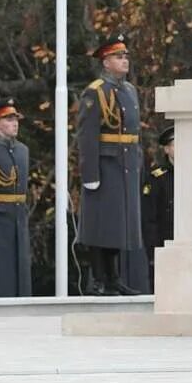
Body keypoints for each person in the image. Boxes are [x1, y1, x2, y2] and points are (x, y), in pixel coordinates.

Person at [76, 38, 147, 296]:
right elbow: (86, 135)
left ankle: (113, 277)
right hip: (105, 165)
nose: (124, 60)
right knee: (100, 224)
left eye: (126, 56)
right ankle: (97, 278)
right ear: (106, 62)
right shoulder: (95, 92)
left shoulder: (129, 90)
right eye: (118, 57)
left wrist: (136, 161)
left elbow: (134, 131)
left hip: (125, 164)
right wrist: (90, 174)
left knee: (119, 224)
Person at [0, 103, 28, 297]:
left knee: (21, 263)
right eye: (9, 119)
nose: (15, 124)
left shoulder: (22, 150)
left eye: (16, 119)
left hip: (18, 214)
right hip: (0, 215)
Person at [141, 123, 176, 287]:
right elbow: (149, 217)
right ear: (167, 149)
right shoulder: (157, 177)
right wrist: (153, 249)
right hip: (164, 242)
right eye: (176, 144)